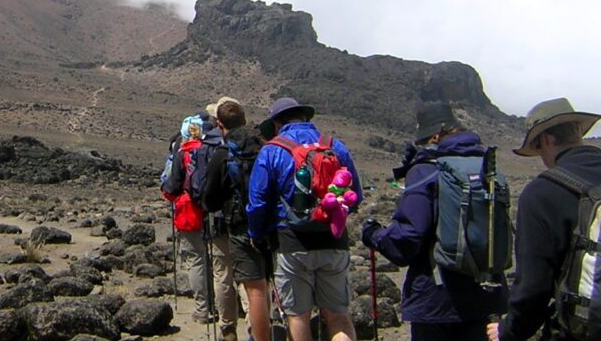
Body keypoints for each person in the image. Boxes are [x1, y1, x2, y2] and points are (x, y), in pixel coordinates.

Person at [361, 102, 508, 341]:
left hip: (437, 299)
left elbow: (406, 239)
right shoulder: (486, 167)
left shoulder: (426, 170)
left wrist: (373, 234)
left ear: (435, 136)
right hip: (487, 296)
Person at [247, 97, 362, 341]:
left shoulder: (272, 151)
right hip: (333, 240)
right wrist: (332, 218)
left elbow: (258, 203)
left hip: (292, 242)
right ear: (306, 118)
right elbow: (355, 196)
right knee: (338, 317)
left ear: (277, 124)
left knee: (298, 316)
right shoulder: (335, 146)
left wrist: (257, 236)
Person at [487, 98, 601, 341]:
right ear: (579, 132)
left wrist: (508, 331)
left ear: (546, 140)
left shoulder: (542, 193)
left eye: (538, 148)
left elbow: (533, 289)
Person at [161, 112, 239, 340]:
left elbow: (171, 188)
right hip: (216, 211)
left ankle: (202, 309)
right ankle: (227, 308)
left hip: (189, 212)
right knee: (220, 262)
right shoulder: (215, 149)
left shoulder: (182, 153)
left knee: (196, 259)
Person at [202, 99, 271, 341]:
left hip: (237, 225)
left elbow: (209, 199)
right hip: (267, 224)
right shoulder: (264, 147)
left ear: (219, 123)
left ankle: (236, 331)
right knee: (266, 286)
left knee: (249, 288)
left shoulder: (223, 153)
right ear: (244, 120)